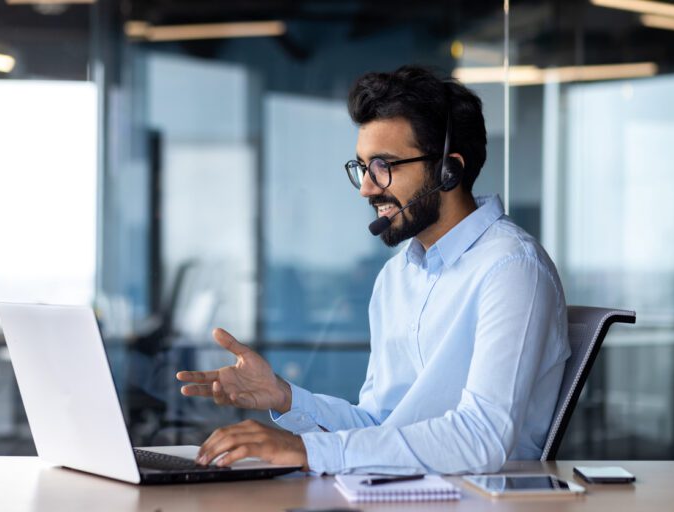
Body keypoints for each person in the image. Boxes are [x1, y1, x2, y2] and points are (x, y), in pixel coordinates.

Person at [176, 65, 570, 475]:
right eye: (363, 166)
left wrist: (308, 451)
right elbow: (379, 425)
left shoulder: (511, 269)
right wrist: (284, 397)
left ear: (448, 171)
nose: (366, 187)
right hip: (405, 493)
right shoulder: (397, 277)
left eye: (384, 165)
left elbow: (481, 438)